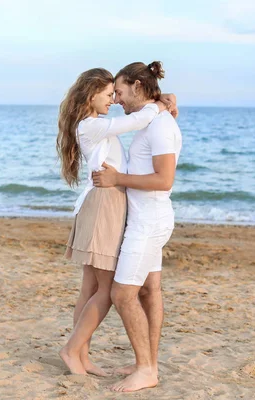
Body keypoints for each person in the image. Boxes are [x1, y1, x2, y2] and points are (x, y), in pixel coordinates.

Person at [56, 67, 177, 376]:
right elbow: (137, 120)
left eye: (115, 94)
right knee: (106, 288)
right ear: (91, 95)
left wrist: (158, 103)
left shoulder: (95, 125)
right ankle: (73, 350)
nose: (113, 100)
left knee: (90, 287)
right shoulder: (91, 126)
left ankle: (81, 356)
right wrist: (161, 104)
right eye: (109, 95)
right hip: (104, 204)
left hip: (105, 202)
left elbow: (135, 120)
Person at [92, 61, 182, 392]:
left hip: (149, 221)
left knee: (122, 293)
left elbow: (164, 179)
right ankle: (148, 362)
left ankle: (146, 368)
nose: (116, 98)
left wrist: (117, 178)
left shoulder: (159, 127)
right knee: (148, 290)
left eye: (119, 91)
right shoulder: (154, 121)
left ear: (138, 87)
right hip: (146, 218)